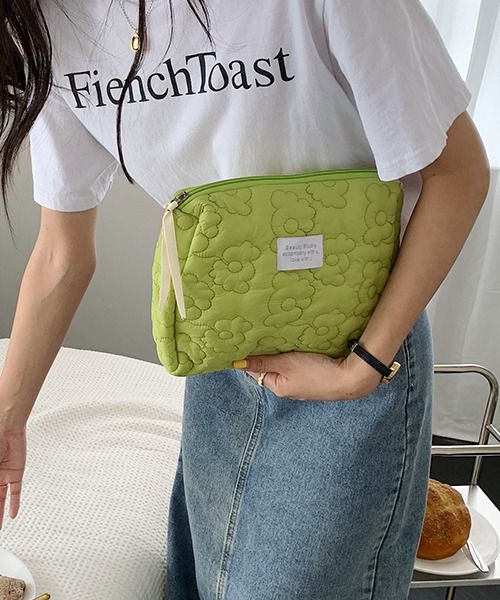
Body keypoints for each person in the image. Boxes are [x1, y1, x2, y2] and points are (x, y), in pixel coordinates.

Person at [0, 1, 490, 599]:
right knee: (200, 581)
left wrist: (363, 366)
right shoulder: (45, 21)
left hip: (355, 349)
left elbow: (458, 171)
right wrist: (8, 417)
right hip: (220, 354)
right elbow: (61, 253)